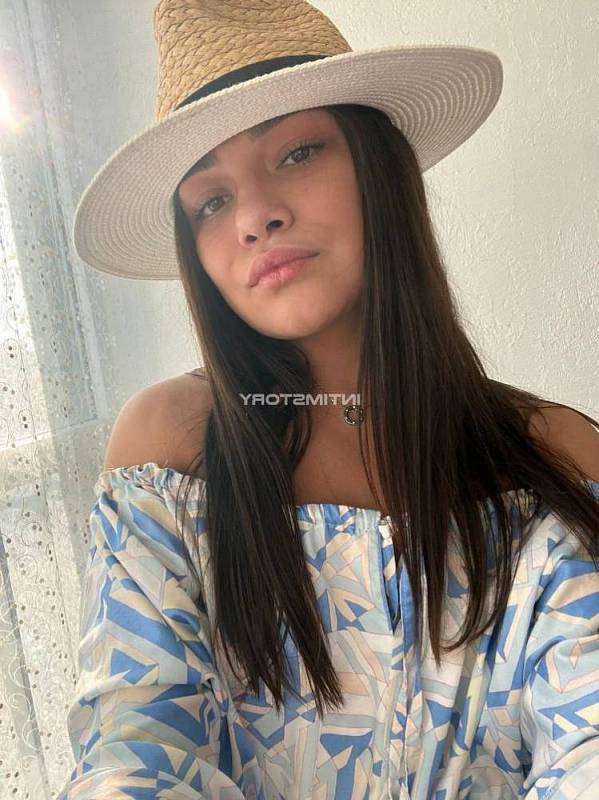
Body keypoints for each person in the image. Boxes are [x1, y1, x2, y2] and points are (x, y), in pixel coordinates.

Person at [58, 1, 599, 798]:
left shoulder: (556, 457)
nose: (254, 216)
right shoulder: (171, 453)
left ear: (380, 167)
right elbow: (133, 744)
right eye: (210, 201)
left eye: (297, 152)